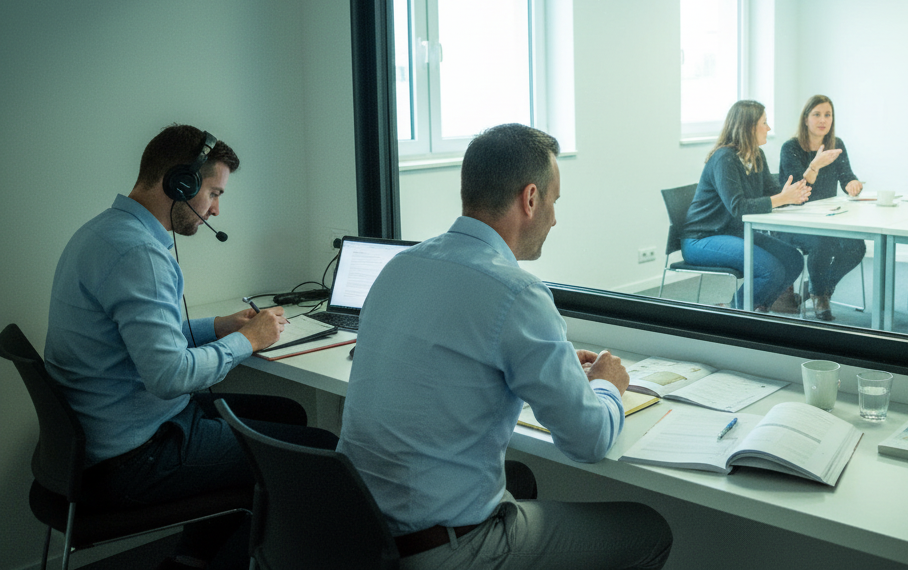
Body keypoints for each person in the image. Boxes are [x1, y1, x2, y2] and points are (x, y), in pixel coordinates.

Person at [338, 123, 672, 570]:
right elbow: (588, 441)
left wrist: (544, 366)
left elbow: (451, 358)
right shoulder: (517, 294)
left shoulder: (401, 266)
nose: (555, 217)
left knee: (523, 479)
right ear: (530, 199)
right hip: (443, 550)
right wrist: (608, 386)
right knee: (648, 529)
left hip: (357, 535)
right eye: (554, 202)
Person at [45, 124, 337, 570]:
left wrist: (216, 326)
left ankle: (193, 558)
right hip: (134, 460)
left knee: (287, 414)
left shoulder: (100, 232)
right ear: (180, 183)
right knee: (316, 452)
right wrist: (248, 339)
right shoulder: (139, 255)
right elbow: (170, 377)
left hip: (99, 441)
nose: (215, 210)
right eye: (214, 193)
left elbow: (140, 337)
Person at [682, 100, 810, 313]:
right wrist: (782, 198)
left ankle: (755, 308)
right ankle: (735, 311)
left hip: (734, 233)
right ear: (749, 127)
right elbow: (738, 207)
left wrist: (789, 194)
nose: (768, 128)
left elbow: (772, 193)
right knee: (771, 270)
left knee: (793, 259)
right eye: (764, 123)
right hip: (701, 239)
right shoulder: (724, 158)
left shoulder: (756, 155)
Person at [777, 94, 866, 321]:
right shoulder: (791, 148)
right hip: (793, 221)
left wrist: (852, 185)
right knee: (823, 241)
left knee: (857, 247)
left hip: (827, 218)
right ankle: (819, 296)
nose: (822, 120)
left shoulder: (836, 145)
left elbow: (847, 176)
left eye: (828, 115)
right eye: (816, 114)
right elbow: (798, 191)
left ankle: (821, 287)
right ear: (805, 119)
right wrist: (815, 165)